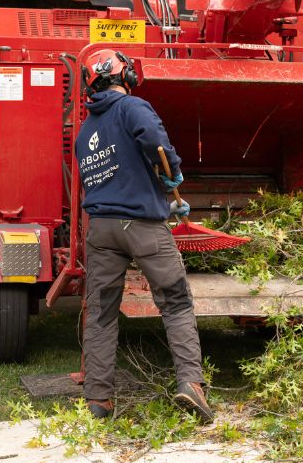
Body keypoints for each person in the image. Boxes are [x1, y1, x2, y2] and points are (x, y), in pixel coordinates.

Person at [75, 48, 213, 422]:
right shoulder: (132, 107)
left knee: (102, 314)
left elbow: (119, 186)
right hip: (144, 232)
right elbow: (153, 139)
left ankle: (98, 400)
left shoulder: (86, 131)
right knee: (176, 303)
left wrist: (164, 205)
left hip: (103, 233)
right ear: (126, 75)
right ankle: (190, 385)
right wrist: (170, 170)